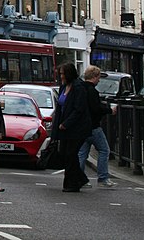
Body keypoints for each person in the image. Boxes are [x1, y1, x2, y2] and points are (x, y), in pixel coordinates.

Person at [52, 62, 92, 192]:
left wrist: (66, 123)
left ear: (69, 74)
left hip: (77, 128)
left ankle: (71, 184)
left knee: (70, 154)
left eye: (63, 74)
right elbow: (60, 107)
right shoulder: (63, 87)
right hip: (64, 128)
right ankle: (80, 179)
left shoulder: (78, 87)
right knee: (65, 155)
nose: (61, 76)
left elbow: (78, 109)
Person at [78, 65, 116, 188]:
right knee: (104, 150)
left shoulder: (80, 88)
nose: (99, 80)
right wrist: (109, 110)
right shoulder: (92, 91)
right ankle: (103, 178)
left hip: (82, 126)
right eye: (98, 77)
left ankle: (80, 178)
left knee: (82, 153)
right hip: (93, 126)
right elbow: (96, 108)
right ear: (94, 77)